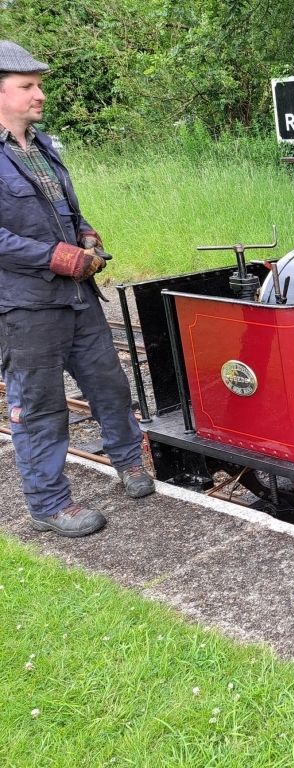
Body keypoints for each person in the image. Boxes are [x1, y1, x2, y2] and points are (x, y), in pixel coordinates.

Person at [0, 41, 154, 538]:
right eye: (27, 86)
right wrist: (55, 256)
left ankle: (129, 462)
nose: (39, 94)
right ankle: (48, 505)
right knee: (40, 406)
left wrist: (85, 235)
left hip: (77, 297)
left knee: (109, 385)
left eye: (39, 84)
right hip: (26, 306)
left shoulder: (41, 145)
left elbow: (65, 210)